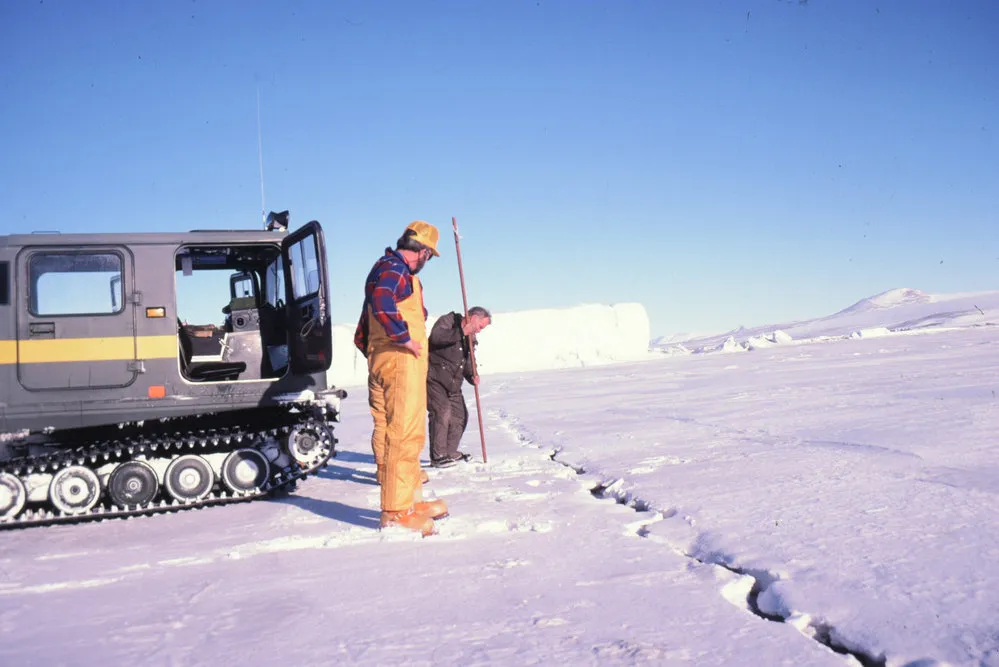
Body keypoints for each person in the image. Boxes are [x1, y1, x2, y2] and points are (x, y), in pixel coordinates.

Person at [354, 221, 448, 536]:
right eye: (429, 256)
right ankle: (395, 512)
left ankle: (410, 502)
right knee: (404, 434)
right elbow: (382, 302)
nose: (427, 261)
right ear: (423, 252)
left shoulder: (385, 267)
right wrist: (403, 338)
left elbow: (367, 320)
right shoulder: (395, 270)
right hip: (399, 360)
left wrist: (376, 351)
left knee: (408, 432)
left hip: (392, 359)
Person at [426, 306, 492, 468]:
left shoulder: (471, 337)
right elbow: (436, 338)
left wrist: (472, 375)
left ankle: (450, 452)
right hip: (434, 378)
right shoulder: (448, 321)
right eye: (480, 326)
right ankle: (438, 456)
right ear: (473, 318)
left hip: (453, 383)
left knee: (460, 416)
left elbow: (468, 360)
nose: (479, 330)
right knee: (442, 412)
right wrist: (461, 331)